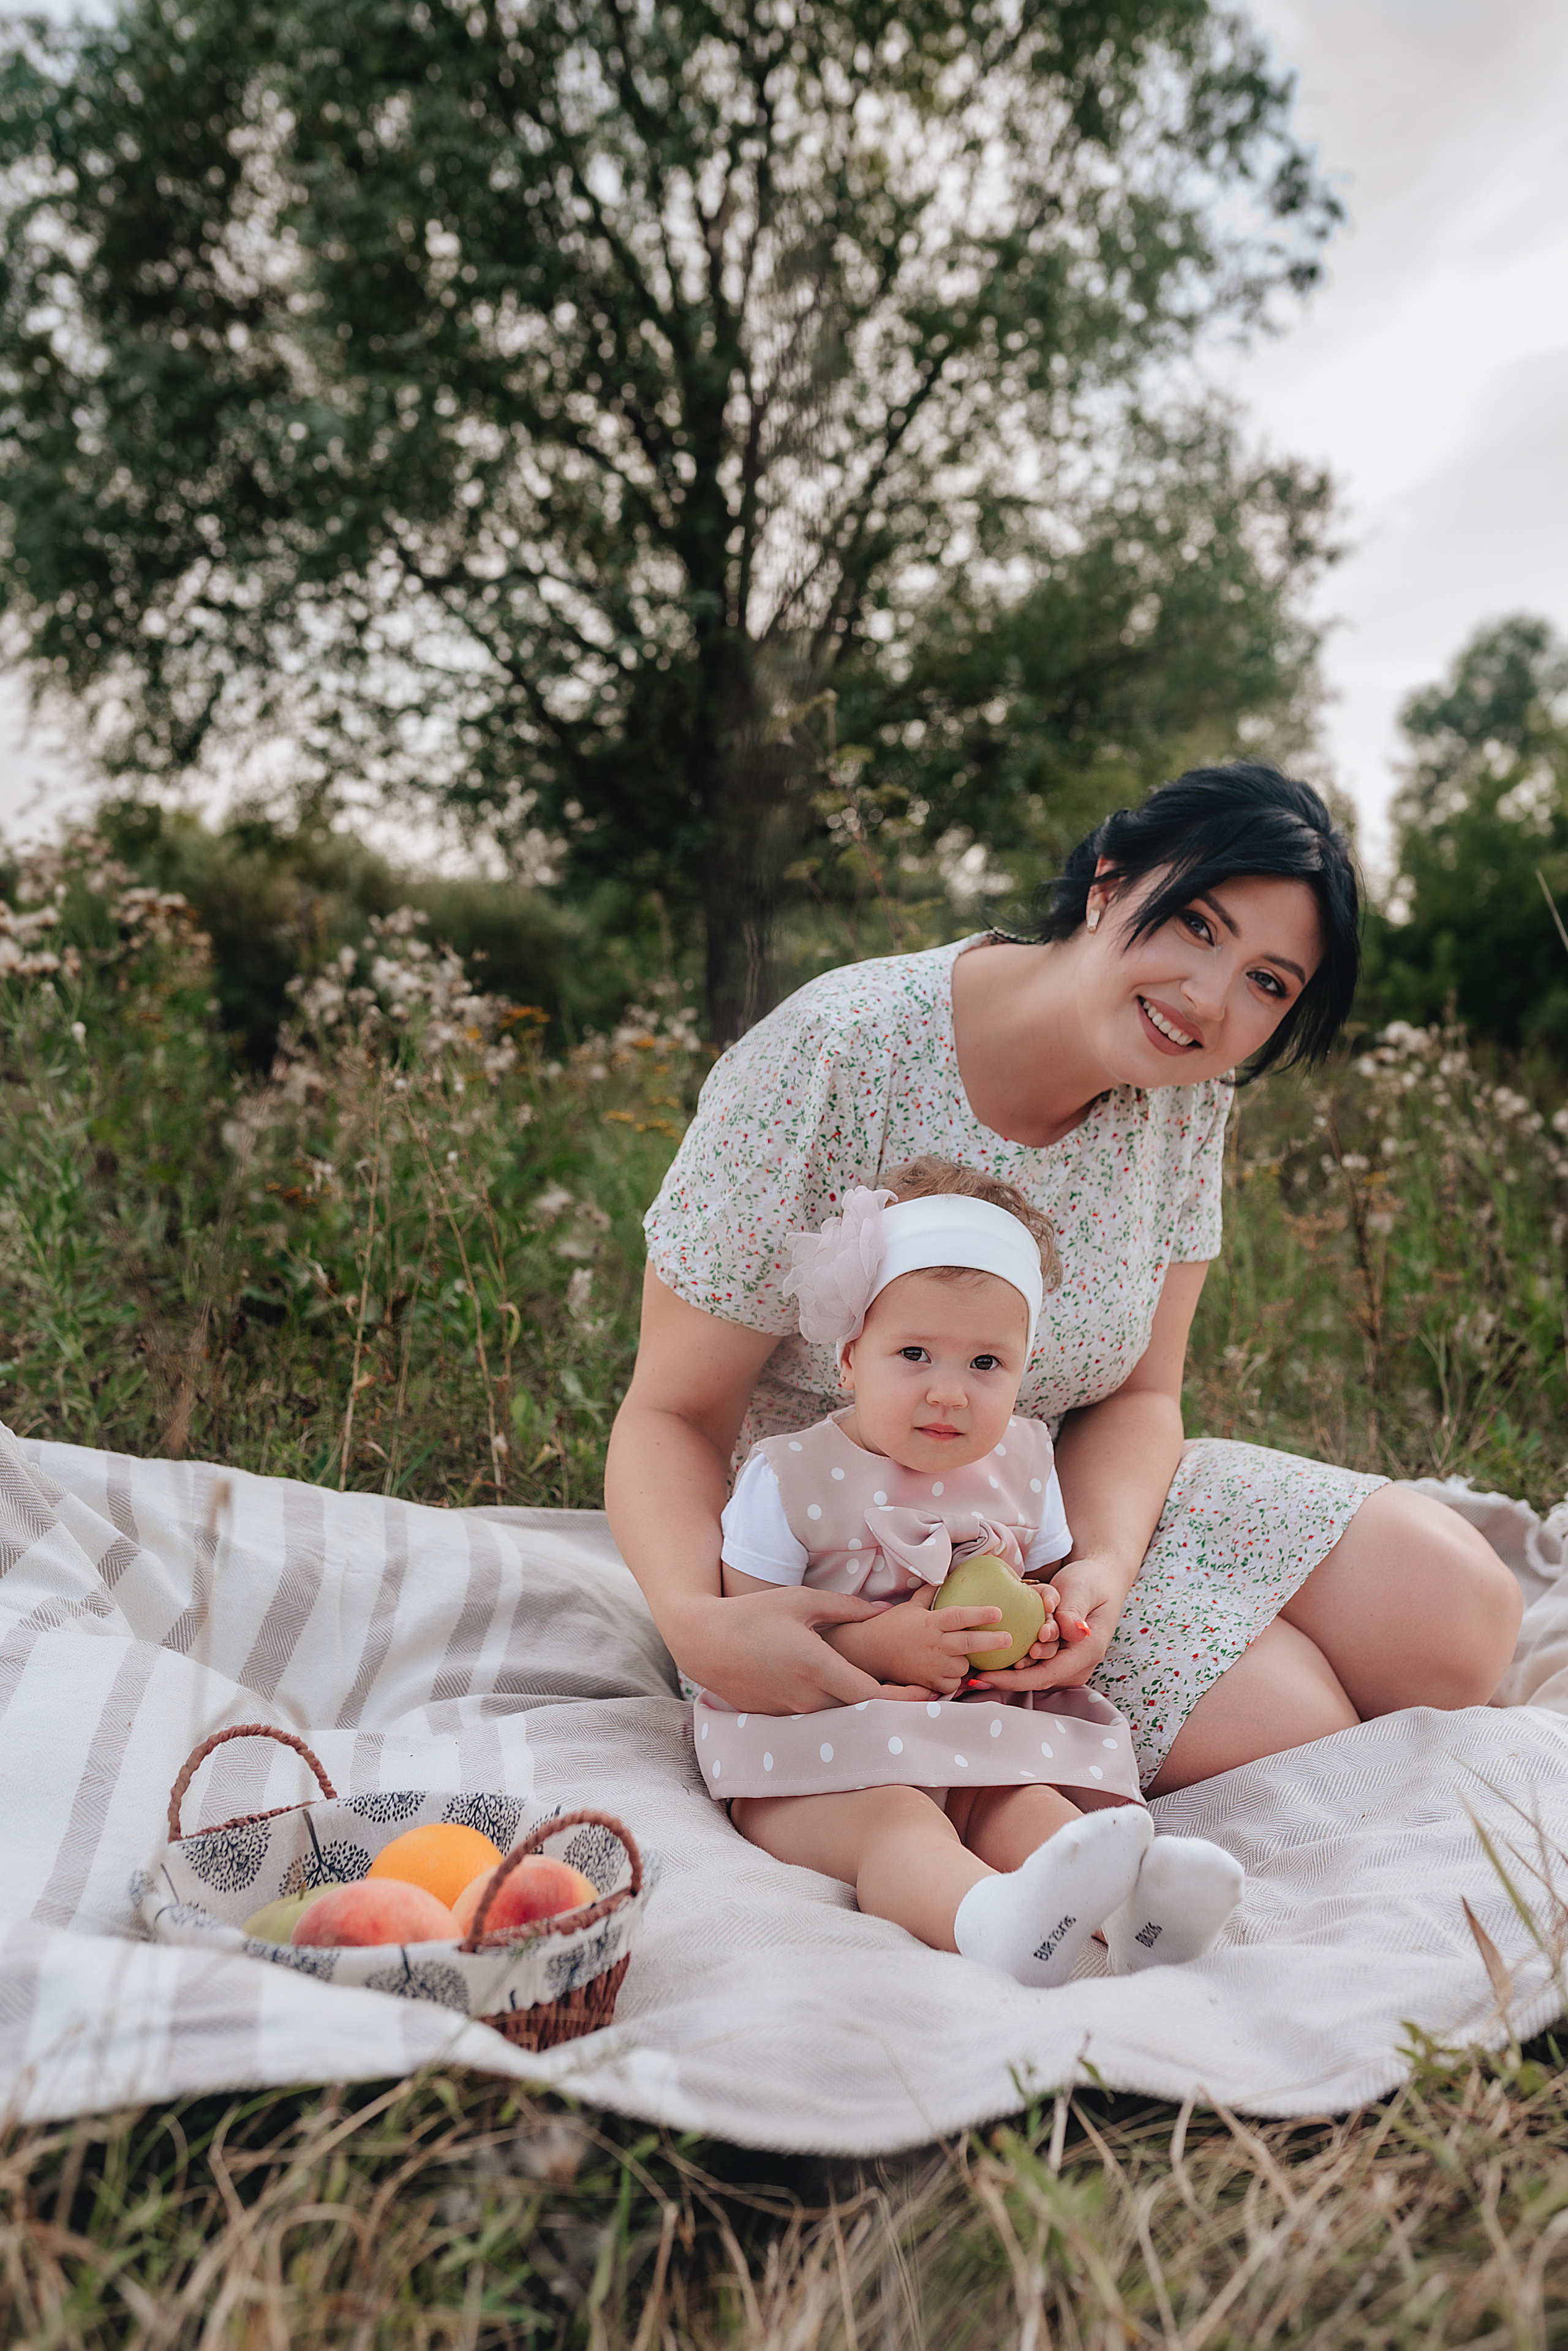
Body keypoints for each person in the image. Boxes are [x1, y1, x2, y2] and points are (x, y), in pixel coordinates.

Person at [605, 762, 1522, 1814]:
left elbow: (1140, 1397)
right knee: (1301, 1728)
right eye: (1198, 926)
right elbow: (673, 1410)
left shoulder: (1186, 1099)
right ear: (1108, 883)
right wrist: (698, 1620)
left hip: (1058, 1504)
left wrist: (1103, 1573)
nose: (1210, 999)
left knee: (1465, 1616)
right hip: (847, 1558)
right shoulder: (838, 1051)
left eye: (1270, 982)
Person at [700, 1157, 1244, 1985]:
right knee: (897, 1824)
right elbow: (754, 1644)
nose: (950, 1393)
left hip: (978, 1733)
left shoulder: (1025, 1461)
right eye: (915, 1353)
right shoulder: (791, 1478)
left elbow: (1049, 1579)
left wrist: (1047, 1621)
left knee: (1032, 1810)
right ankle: (986, 1920)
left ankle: (1132, 1918)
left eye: (986, 1364)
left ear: (1025, 1368)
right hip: (822, 1753)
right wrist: (886, 1647)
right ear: (851, 1357)